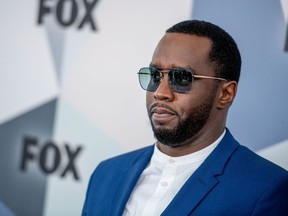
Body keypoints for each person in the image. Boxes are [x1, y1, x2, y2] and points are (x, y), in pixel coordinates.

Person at [82, 20, 288, 216]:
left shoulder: (265, 189)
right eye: (155, 75)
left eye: (180, 78)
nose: (160, 93)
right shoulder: (106, 174)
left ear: (225, 94)